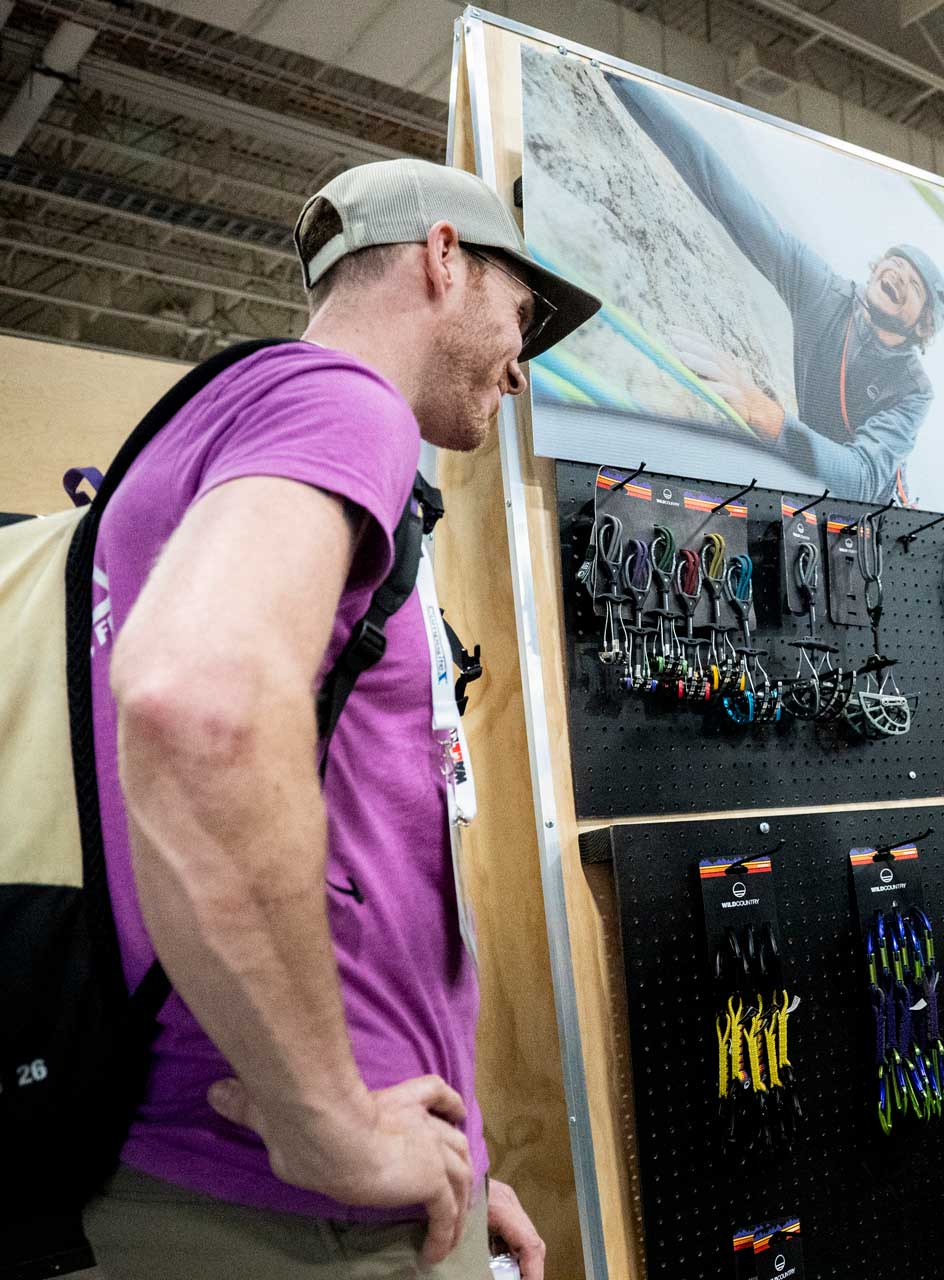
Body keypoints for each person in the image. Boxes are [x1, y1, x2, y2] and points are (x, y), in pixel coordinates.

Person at [82, 158, 599, 1278]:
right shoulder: (340, 401)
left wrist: (452, 1151)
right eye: (523, 315)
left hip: (280, 1183)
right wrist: (328, 1120)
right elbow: (196, 701)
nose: (522, 364)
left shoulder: (213, 431)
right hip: (287, 1208)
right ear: (445, 256)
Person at [609, 76, 944, 503]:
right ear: (877, 267)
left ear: (923, 325)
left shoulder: (913, 388)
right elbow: (722, 190)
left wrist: (767, 415)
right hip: (804, 470)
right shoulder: (821, 293)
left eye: (914, 284)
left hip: (871, 511)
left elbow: (861, 478)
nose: (899, 275)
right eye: (895, 263)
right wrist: (621, 81)